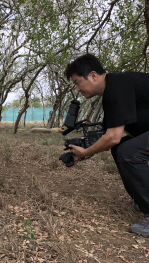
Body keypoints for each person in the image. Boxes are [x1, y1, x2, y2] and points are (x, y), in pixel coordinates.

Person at [63, 53, 149, 237]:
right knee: (121, 148)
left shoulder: (118, 86)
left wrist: (86, 152)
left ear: (93, 75)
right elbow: (106, 137)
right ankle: (142, 201)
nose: (77, 88)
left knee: (128, 149)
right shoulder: (114, 90)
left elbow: (112, 137)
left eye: (78, 82)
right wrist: (81, 152)